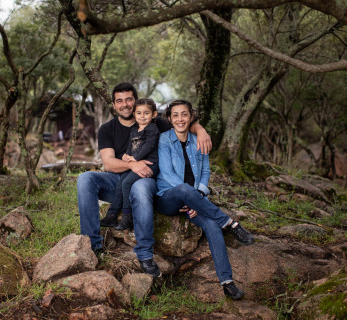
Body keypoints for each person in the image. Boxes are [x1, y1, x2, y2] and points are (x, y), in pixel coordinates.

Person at [77, 83, 212, 279]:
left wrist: (200, 130)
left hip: (148, 180)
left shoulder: (153, 122)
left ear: (136, 100)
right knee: (85, 178)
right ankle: (93, 245)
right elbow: (109, 164)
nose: (125, 105)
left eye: (129, 99)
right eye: (120, 101)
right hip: (119, 180)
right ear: (114, 105)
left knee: (140, 188)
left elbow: (183, 123)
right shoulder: (107, 129)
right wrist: (133, 164)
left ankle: (145, 254)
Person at [154, 100, 254, 300]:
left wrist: (197, 196)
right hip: (168, 198)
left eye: (184, 114)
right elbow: (167, 174)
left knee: (212, 227)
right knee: (183, 188)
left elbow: (206, 171)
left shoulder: (199, 141)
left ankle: (227, 283)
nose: (180, 119)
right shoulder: (164, 140)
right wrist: (190, 197)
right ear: (169, 119)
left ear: (191, 117)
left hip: (194, 200)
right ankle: (230, 223)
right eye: (175, 115)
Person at [101, 98, 160, 231]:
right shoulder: (134, 130)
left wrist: (135, 158)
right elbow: (130, 146)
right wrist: (126, 156)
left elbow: (148, 147)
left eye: (146, 113)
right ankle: (112, 214)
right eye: (139, 113)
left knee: (127, 183)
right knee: (121, 182)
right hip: (135, 163)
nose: (142, 116)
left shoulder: (152, 129)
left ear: (154, 114)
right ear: (134, 114)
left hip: (150, 164)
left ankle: (127, 216)